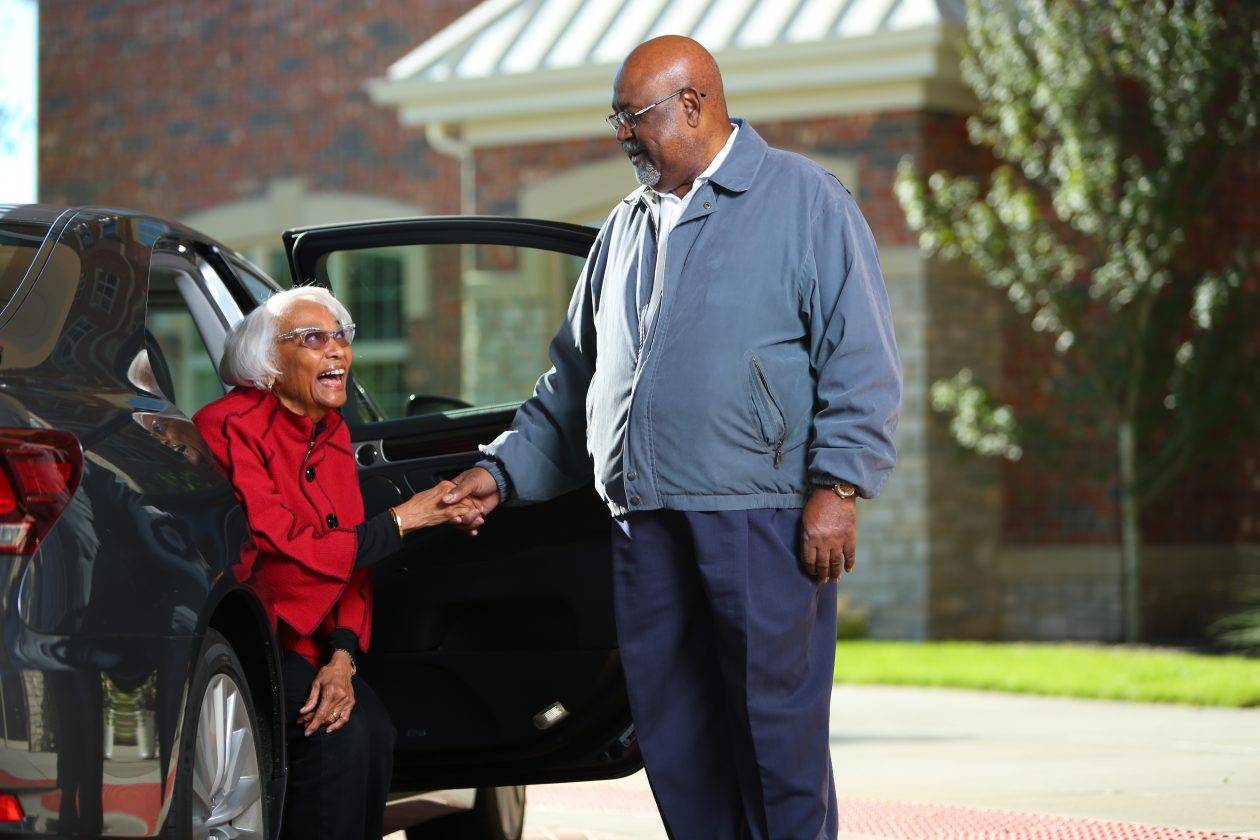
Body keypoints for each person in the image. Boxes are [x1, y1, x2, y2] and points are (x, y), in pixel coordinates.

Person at [444, 36, 902, 840]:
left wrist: (838, 485)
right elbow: (573, 381)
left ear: (693, 103)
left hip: (758, 513)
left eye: (635, 117)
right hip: (644, 518)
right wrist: (504, 473)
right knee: (675, 733)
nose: (624, 137)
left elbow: (860, 353)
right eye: (616, 121)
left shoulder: (802, 199)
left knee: (773, 733)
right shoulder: (624, 227)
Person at [193, 287, 475, 840]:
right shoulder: (228, 425)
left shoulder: (333, 430)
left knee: (374, 728)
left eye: (341, 336)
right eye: (314, 338)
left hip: (316, 640)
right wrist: (403, 520)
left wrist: (343, 657)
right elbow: (284, 548)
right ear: (268, 362)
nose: (337, 351)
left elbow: (349, 559)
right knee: (338, 737)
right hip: (255, 631)